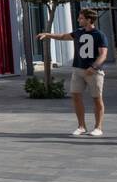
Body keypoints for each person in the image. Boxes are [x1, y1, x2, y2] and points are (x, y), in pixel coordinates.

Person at [38, 8, 109, 137]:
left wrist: (94, 67)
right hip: (77, 69)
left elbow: (103, 54)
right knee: (76, 96)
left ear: (89, 20)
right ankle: (81, 126)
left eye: (81, 18)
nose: (78, 20)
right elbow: (63, 36)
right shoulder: (78, 32)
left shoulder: (99, 34)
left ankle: (98, 127)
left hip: (94, 72)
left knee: (97, 99)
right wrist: (48, 35)